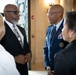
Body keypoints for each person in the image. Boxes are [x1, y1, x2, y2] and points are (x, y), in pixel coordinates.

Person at [1, 4, 32, 75]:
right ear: (6, 13)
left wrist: (29, 54)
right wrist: (14, 59)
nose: (18, 15)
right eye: (15, 12)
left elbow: (25, 46)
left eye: (18, 12)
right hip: (9, 69)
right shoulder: (2, 29)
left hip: (24, 69)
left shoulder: (21, 29)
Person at [43, 4, 68, 75]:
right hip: (50, 69)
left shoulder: (67, 28)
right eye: (48, 13)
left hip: (63, 69)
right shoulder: (49, 29)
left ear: (59, 14)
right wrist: (47, 65)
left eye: (50, 13)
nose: (48, 15)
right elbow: (46, 48)